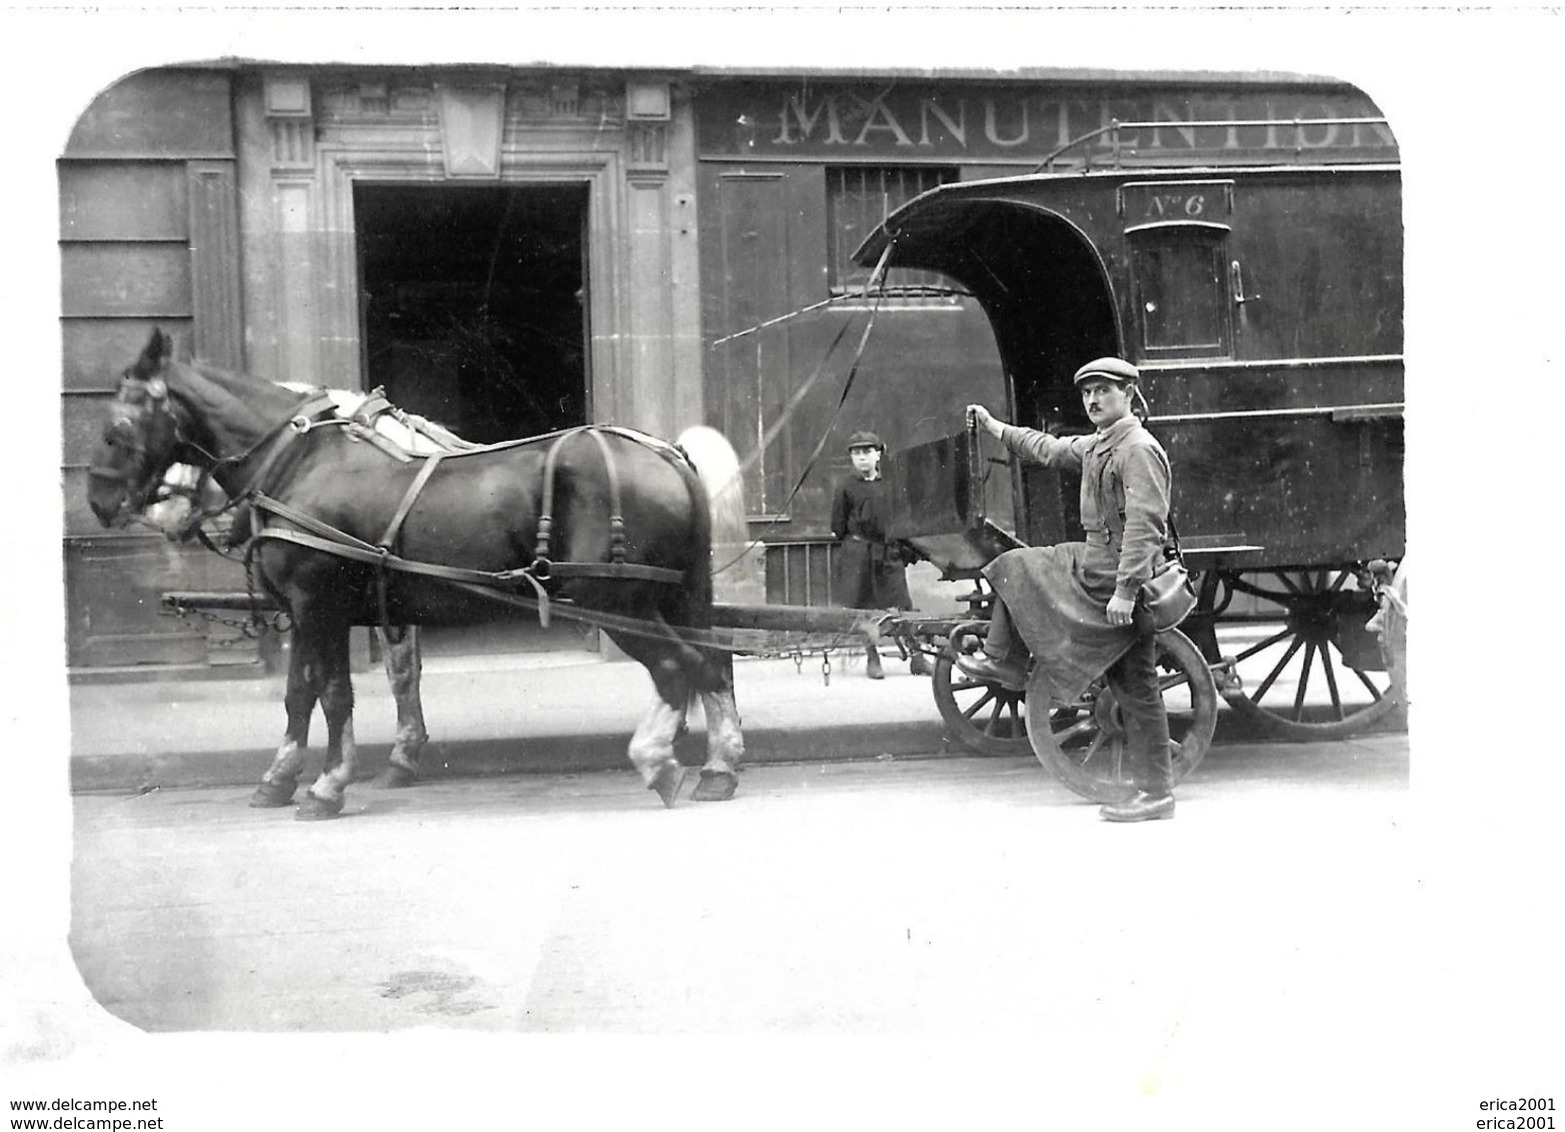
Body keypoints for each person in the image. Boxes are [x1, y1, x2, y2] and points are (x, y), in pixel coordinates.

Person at [962, 358, 1176, 821]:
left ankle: (1157, 793)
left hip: (1120, 579)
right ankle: (1006, 661)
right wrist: (998, 428)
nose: (1094, 400)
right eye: (1087, 393)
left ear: (1129, 396)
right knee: (1016, 564)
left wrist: (1125, 590)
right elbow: (1049, 449)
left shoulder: (1137, 448)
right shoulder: (1102, 444)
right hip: (1095, 563)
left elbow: (1146, 525)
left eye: (1103, 391)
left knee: (1138, 690)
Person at [830, 430, 931, 680]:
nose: (862, 458)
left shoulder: (892, 484)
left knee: (901, 604)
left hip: (887, 552)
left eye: (867, 452)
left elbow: (903, 518)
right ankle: (872, 658)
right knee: (865, 608)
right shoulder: (845, 487)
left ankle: (917, 656)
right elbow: (837, 525)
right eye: (856, 453)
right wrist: (854, 548)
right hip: (859, 554)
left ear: (878, 455)